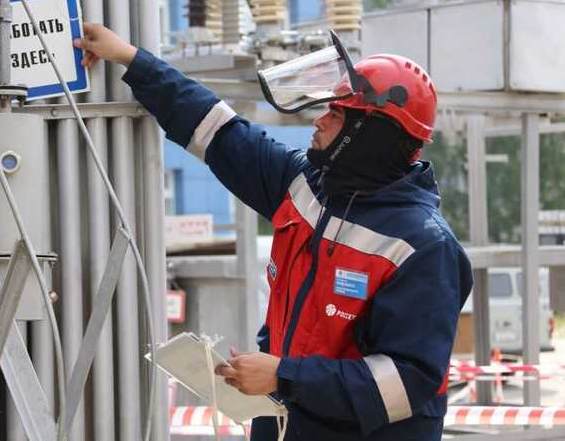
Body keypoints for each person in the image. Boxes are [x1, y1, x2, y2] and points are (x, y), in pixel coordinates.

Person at [74, 23, 473, 441]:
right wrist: (131, 59)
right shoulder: (305, 186)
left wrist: (284, 376)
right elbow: (217, 129)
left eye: (335, 114)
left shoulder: (424, 248)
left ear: (369, 136)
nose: (318, 121)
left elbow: (405, 384)